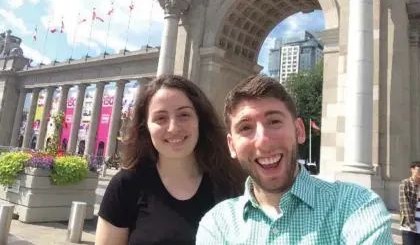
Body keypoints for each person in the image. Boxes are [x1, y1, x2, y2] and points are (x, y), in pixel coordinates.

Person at [196, 74, 394, 244]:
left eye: (274, 121)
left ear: (299, 131)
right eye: (245, 128)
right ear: (231, 145)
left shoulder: (357, 206)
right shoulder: (216, 224)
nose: (263, 142)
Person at [95, 75, 244, 245]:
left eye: (184, 115)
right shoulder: (125, 186)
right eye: (160, 118)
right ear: (146, 127)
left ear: (200, 120)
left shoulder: (231, 185)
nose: (173, 128)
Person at [399, 161, 420, 244]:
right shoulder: (405, 183)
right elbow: (404, 204)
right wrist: (411, 223)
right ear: (412, 170)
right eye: (419, 169)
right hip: (409, 225)